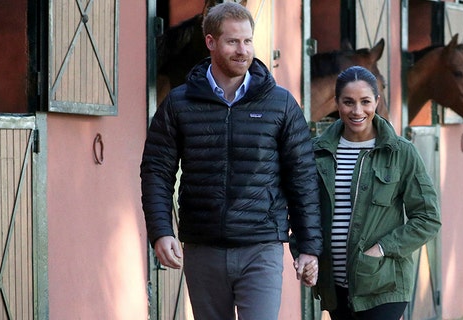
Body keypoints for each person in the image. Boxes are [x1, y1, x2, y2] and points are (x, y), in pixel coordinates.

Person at [140, 3, 322, 320]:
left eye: (247, 41)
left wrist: (308, 246)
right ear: (210, 42)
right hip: (202, 247)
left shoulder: (280, 104)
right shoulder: (179, 103)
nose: (242, 50)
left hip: (261, 247)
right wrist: (160, 230)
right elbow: (156, 170)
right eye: (233, 41)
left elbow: (302, 177)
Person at [305, 66, 441, 320]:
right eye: (348, 102)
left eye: (365, 102)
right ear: (336, 103)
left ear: (377, 102)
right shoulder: (316, 152)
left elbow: (428, 218)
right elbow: (304, 211)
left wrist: (382, 248)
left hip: (383, 284)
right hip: (334, 287)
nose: (357, 111)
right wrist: (304, 252)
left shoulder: (400, 152)